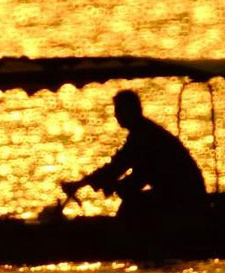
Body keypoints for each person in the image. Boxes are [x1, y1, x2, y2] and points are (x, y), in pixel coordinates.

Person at [61, 89, 207, 222]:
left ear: (131, 111)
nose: (116, 115)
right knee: (131, 203)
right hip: (182, 193)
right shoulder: (143, 132)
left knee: (130, 208)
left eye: (119, 110)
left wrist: (87, 184)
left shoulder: (144, 136)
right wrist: (87, 184)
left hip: (183, 197)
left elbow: (122, 169)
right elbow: (121, 167)